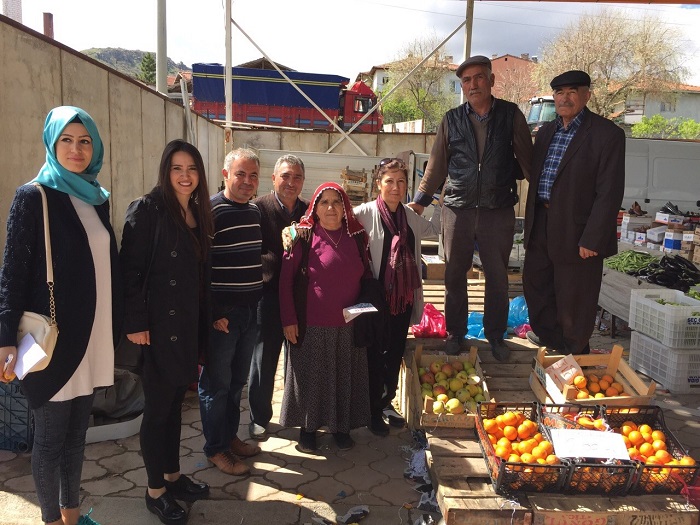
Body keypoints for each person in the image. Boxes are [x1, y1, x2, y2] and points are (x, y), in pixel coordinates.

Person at [0, 106, 120, 525]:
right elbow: (12, 273)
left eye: (84, 140)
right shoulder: (33, 196)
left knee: (76, 439)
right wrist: (4, 339)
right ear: (52, 143)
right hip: (54, 342)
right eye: (66, 140)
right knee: (50, 442)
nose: (76, 149)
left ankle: (72, 517)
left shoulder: (97, 197)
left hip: (92, 338)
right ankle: (51, 520)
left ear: (95, 146)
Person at [408, 55, 532, 361]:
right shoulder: (450, 119)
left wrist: (545, 200)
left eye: (479, 78)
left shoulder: (511, 115)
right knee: (453, 275)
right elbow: (437, 167)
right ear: (462, 86)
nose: (473, 85)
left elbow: (529, 162)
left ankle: (495, 335)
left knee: (497, 277)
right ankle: (455, 333)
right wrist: (419, 203)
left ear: (491, 81)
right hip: (457, 209)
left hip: (497, 208)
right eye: (466, 80)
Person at [120, 140, 213, 524]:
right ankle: (155, 491)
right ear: (165, 170)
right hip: (157, 330)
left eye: (192, 168)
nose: (185, 175)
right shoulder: (147, 210)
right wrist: (136, 324)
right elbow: (129, 273)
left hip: (186, 328)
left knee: (175, 407)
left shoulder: (196, 211)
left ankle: (173, 477)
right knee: (157, 412)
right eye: (177, 168)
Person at [523, 70, 625, 355]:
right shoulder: (546, 132)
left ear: (586, 95)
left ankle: (574, 349)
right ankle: (548, 337)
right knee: (538, 285)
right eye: (559, 93)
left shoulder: (607, 135)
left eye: (571, 92)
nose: (564, 98)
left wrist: (593, 238)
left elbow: (610, 192)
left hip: (577, 228)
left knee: (575, 295)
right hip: (541, 221)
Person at [279, 182, 371, 453]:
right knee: (311, 380)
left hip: (348, 326)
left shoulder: (356, 236)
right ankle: (308, 430)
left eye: (336, 202)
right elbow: (285, 283)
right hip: (312, 326)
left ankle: (340, 429)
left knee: (343, 378)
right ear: (315, 208)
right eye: (324, 202)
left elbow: (366, 276)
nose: (331, 208)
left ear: (345, 208)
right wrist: (288, 320)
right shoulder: (302, 237)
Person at [354, 158, 441, 435]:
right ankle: (371, 411)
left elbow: (435, 229)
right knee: (372, 355)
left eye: (401, 181)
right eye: (389, 181)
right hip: (374, 300)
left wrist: (441, 200)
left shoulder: (410, 216)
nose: (395, 187)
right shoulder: (362, 214)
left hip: (402, 300)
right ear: (378, 184)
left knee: (394, 353)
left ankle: (386, 400)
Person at [198, 148, 263, 475]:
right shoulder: (211, 211)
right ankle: (216, 449)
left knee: (238, 382)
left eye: (253, 175)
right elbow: (199, 268)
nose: (247, 181)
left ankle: (230, 438)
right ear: (225, 174)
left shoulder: (253, 211)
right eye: (240, 174)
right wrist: (213, 313)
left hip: (249, 313)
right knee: (216, 384)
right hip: (222, 318)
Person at [248, 154, 308, 441]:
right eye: (285, 176)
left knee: (298, 361)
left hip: (300, 299)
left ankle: (298, 415)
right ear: (274, 179)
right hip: (267, 298)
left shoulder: (310, 213)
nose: (290, 182)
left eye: (296, 177)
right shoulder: (257, 209)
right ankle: (259, 417)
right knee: (264, 359)